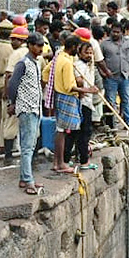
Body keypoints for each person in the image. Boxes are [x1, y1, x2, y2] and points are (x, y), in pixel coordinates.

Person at [6, 31, 44, 195]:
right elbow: (12, 85)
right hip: (27, 108)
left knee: (30, 144)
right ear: (30, 45)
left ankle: (25, 177)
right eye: (38, 45)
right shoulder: (23, 63)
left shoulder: (35, 62)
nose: (41, 48)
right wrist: (12, 103)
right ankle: (28, 180)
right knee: (27, 146)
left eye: (42, 45)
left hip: (35, 107)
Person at [51, 36, 83, 173]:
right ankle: (60, 164)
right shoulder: (66, 62)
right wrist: (89, 90)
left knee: (61, 130)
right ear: (74, 47)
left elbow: (46, 74)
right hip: (66, 97)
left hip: (58, 96)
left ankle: (57, 162)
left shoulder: (58, 57)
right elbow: (70, 86)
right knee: (62, 131)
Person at [67, 42, 101, 168]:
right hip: (82, 103)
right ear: (80, 53)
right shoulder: (78, 65)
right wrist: (85, 91)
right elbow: (79, 81)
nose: (89, 55)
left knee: (78, 132)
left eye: (91, 53)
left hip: (87, 101)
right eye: (86, 53)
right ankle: (84, 161)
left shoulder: (90, 64)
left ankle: (70, 158)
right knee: (83, 132)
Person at [99, 22, 129, 129]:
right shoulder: (104, 44)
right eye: (113, 32)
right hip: (110, 77)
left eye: (117, 32)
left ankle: (128, 122)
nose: (115, 34)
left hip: (125, 76)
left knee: (126, 99)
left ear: (122, 33)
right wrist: (103, 73)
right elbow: (99, 61)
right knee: (111, 101)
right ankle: (112, 123)